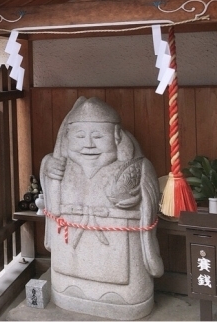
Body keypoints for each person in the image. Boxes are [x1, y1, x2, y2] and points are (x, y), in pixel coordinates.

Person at [40, 97, 163, 320]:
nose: (88, 144)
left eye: (98, 136)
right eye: (79, 136)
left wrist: (137, 195)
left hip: (120, 254)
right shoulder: (60, 166)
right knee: (69, 283)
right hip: (72, 252)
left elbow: (150, 198)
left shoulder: (134, 166)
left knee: (123, 289)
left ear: (117, 137)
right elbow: (52, 205)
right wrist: (47, 170)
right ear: (67, 139)